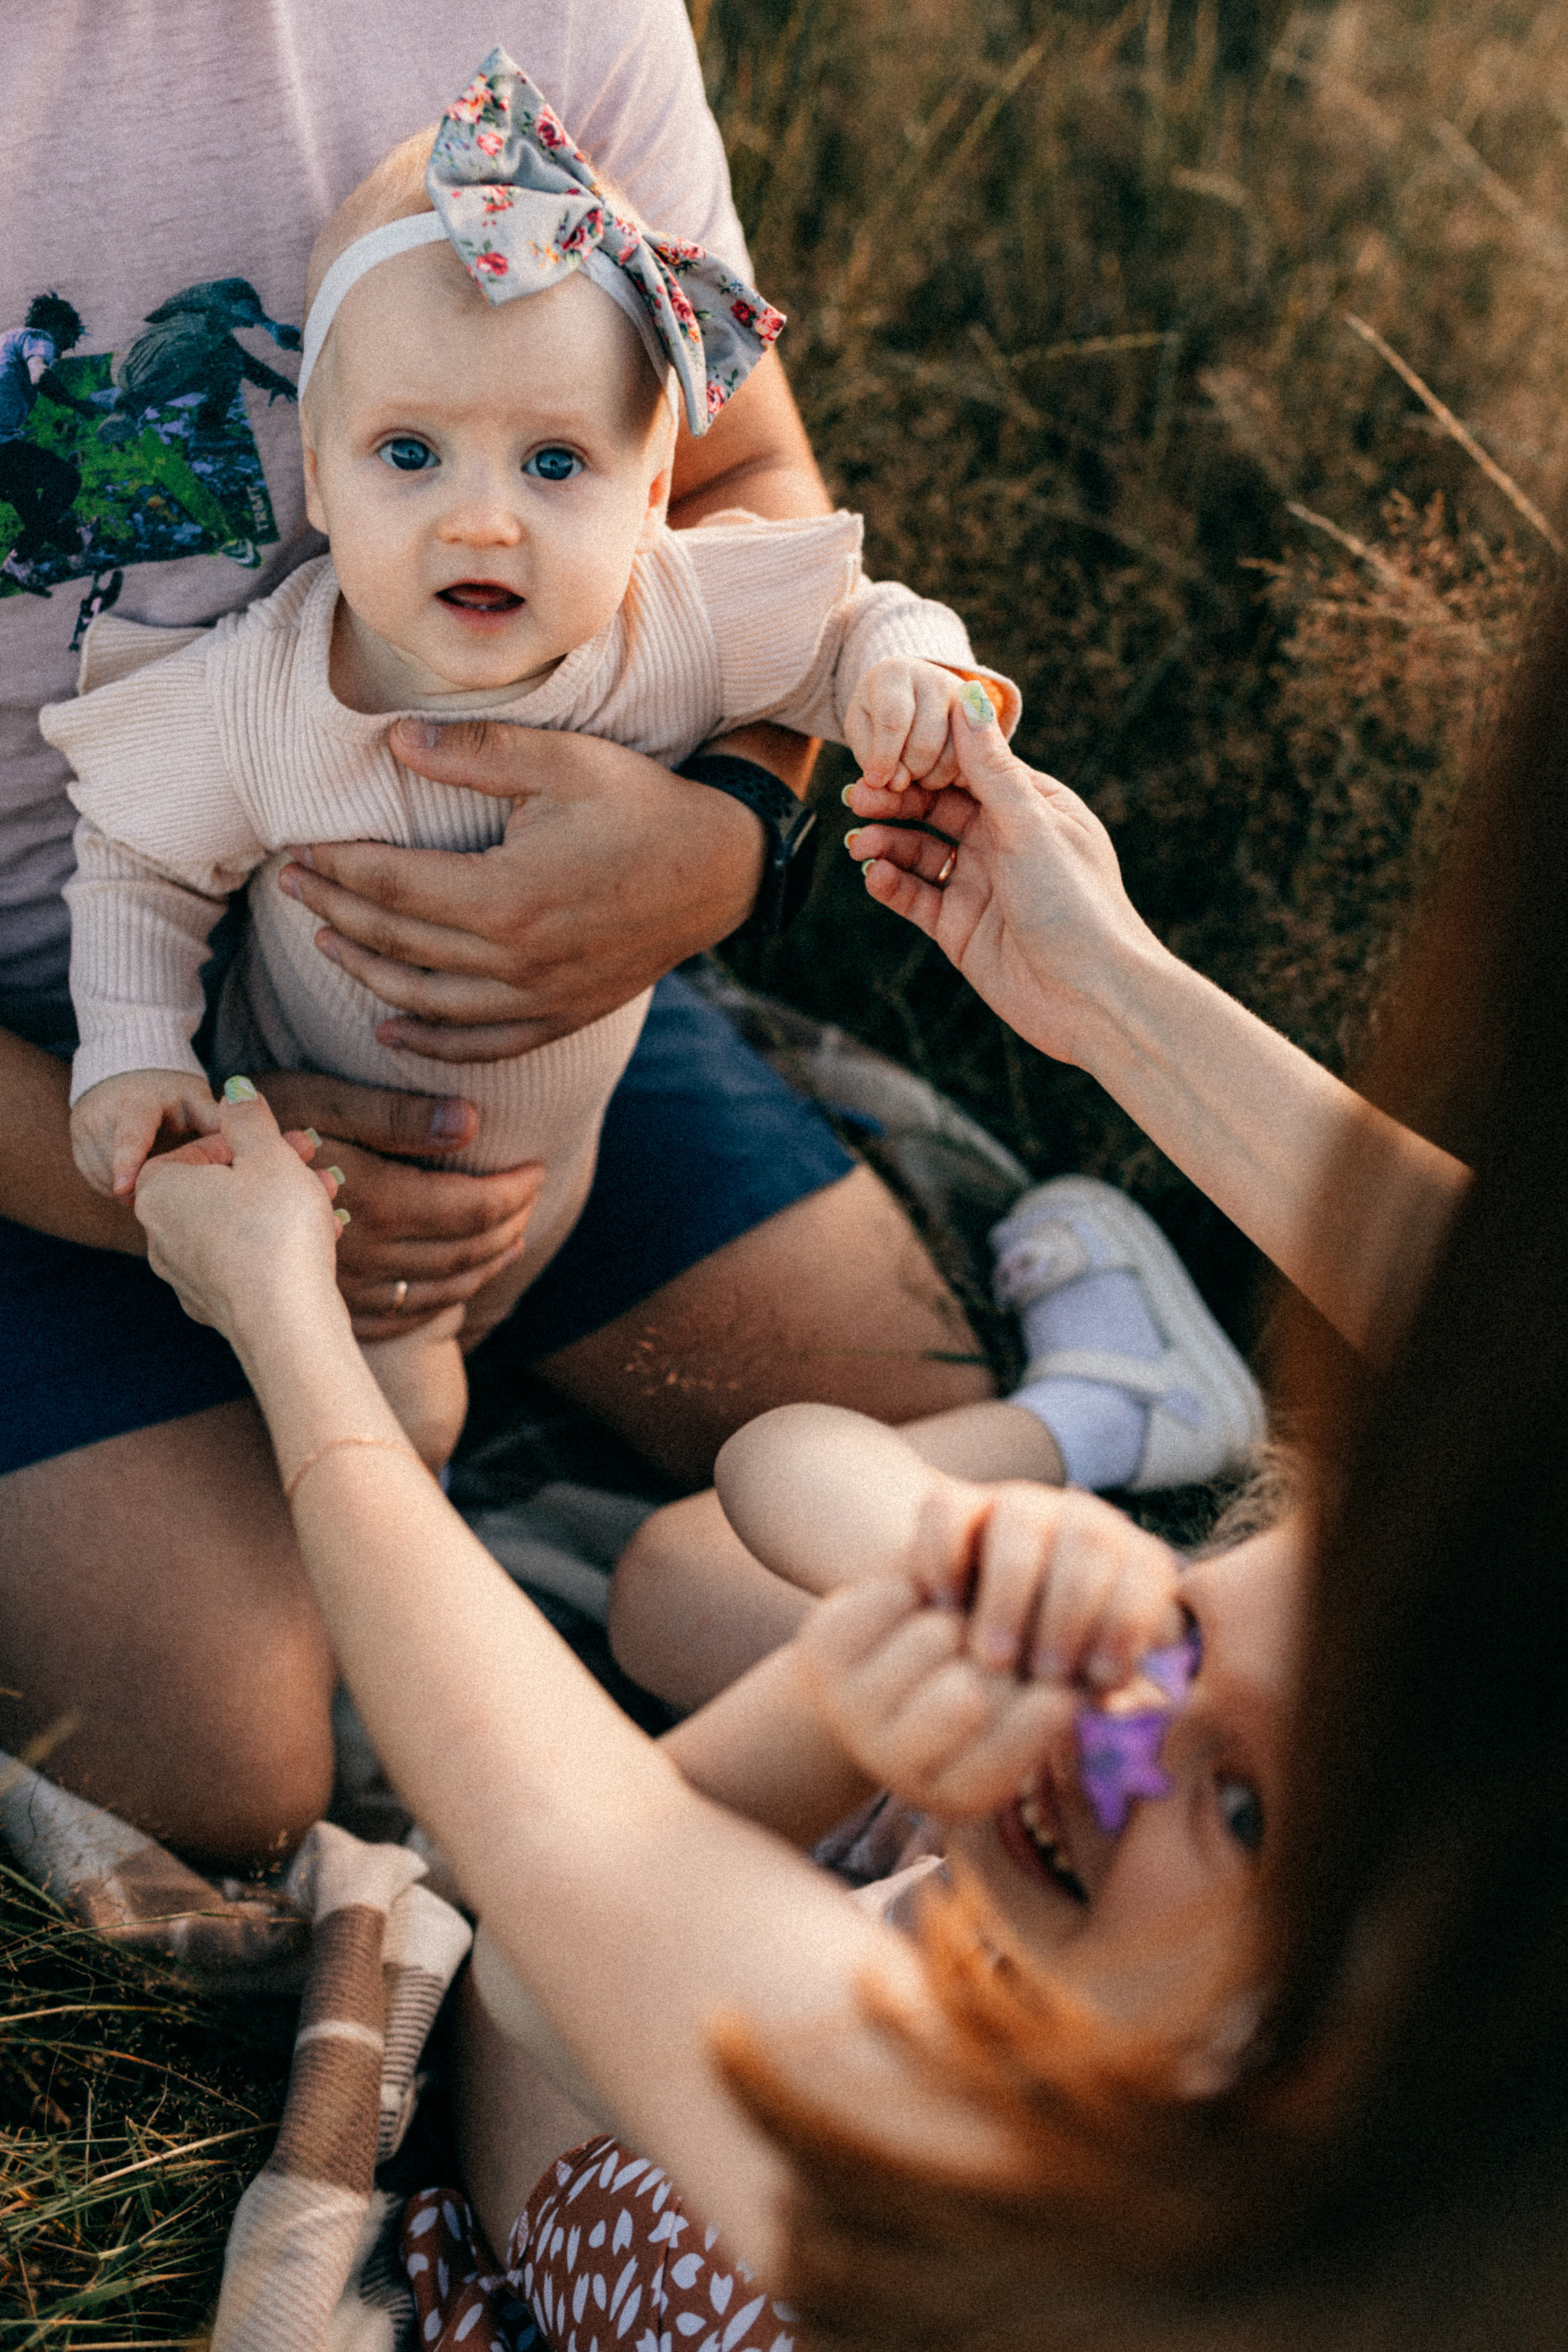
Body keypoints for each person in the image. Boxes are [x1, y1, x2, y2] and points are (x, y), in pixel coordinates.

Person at [129, 530, 1568, 2341]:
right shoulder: (1181, 1913)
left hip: (608, 2097)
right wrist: (1103, 982)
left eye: (1244, 1802)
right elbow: (1508, 1357)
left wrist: (284, 1314)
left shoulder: (1032, 2256)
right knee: (697, 1569)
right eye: (1183, 1617)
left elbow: (559, 1900)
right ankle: (1080, 1437)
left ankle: (1067, 1437)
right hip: (811, 1956)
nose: (1126, 1708)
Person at [0, 4, 995, 1864]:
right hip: (38, 1056)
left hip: (506, 962)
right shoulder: (241, 711)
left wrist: (715, 840)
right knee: (232, 1768)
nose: (482, 516)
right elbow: (141, 886)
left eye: (543, 468)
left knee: (910, 1409)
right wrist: (169, 1161)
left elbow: (755, 498)